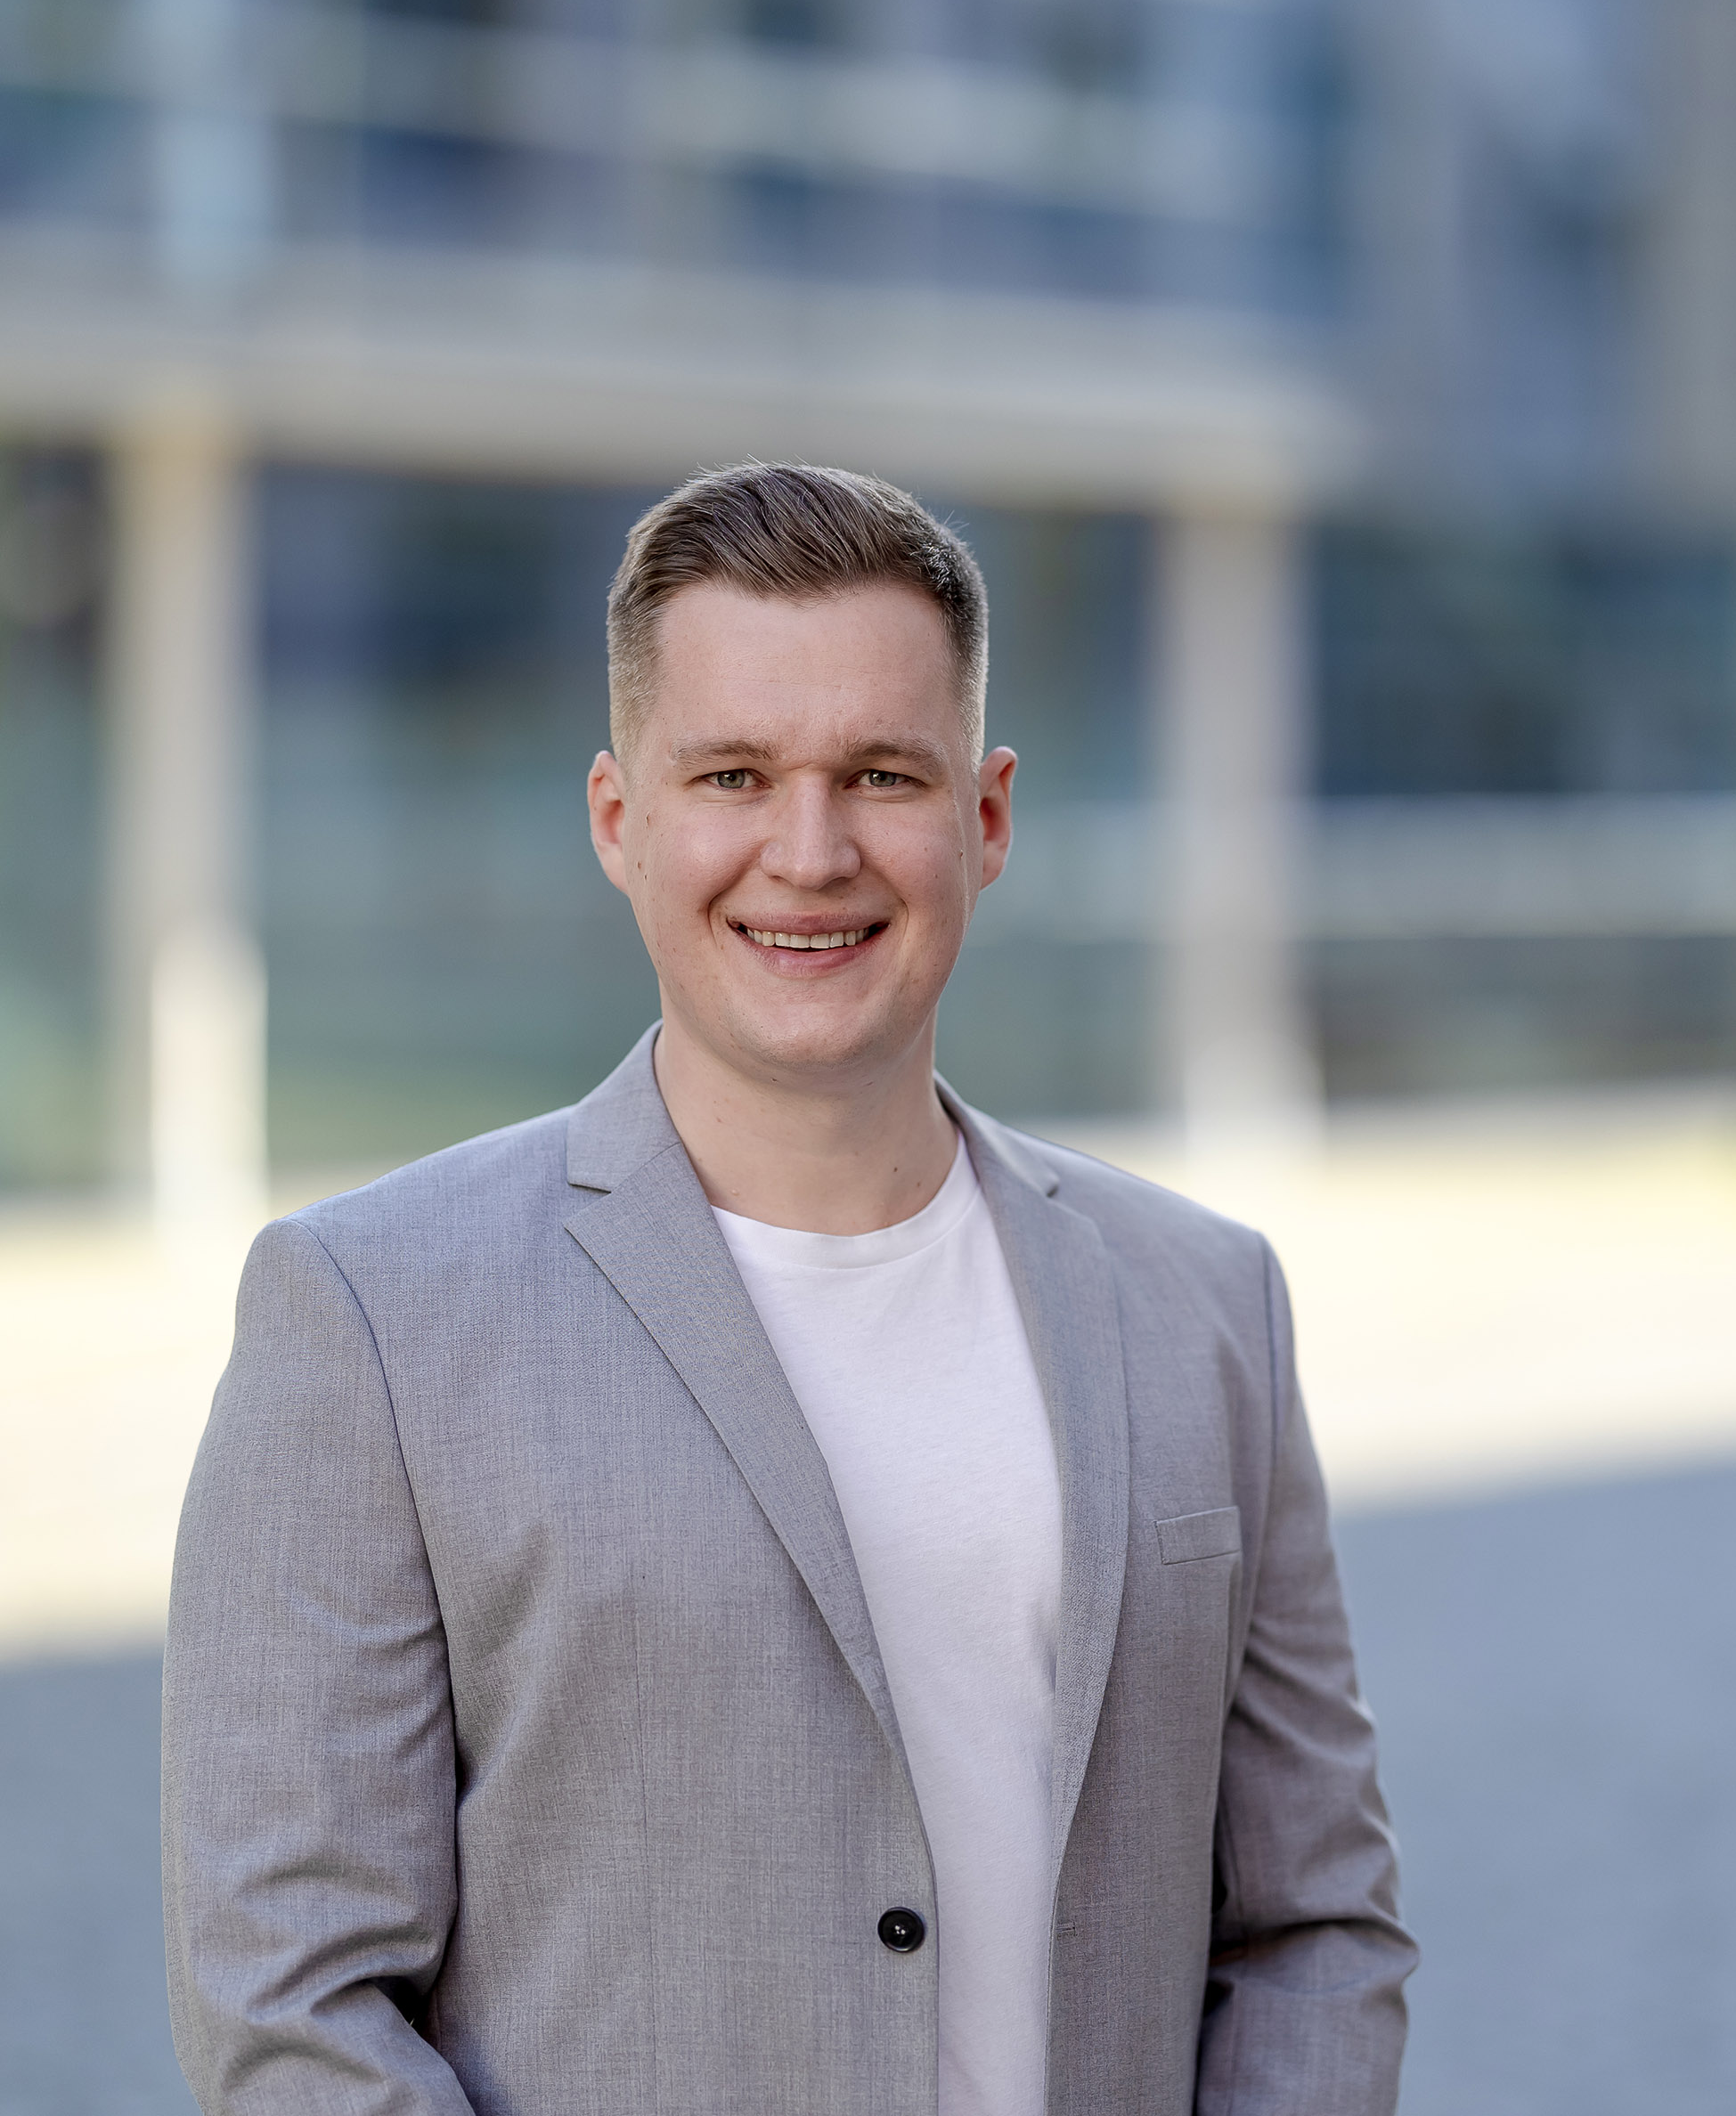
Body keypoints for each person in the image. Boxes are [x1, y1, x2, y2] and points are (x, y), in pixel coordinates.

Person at [161, 463, 1414, 2116]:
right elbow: (291, 2001)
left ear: (986, 819)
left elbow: (1315, 1926)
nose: (809, 853)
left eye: (881, 774)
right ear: (621, 819)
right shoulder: (370, 1321)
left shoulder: (1207, 1305)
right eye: (734, 776)